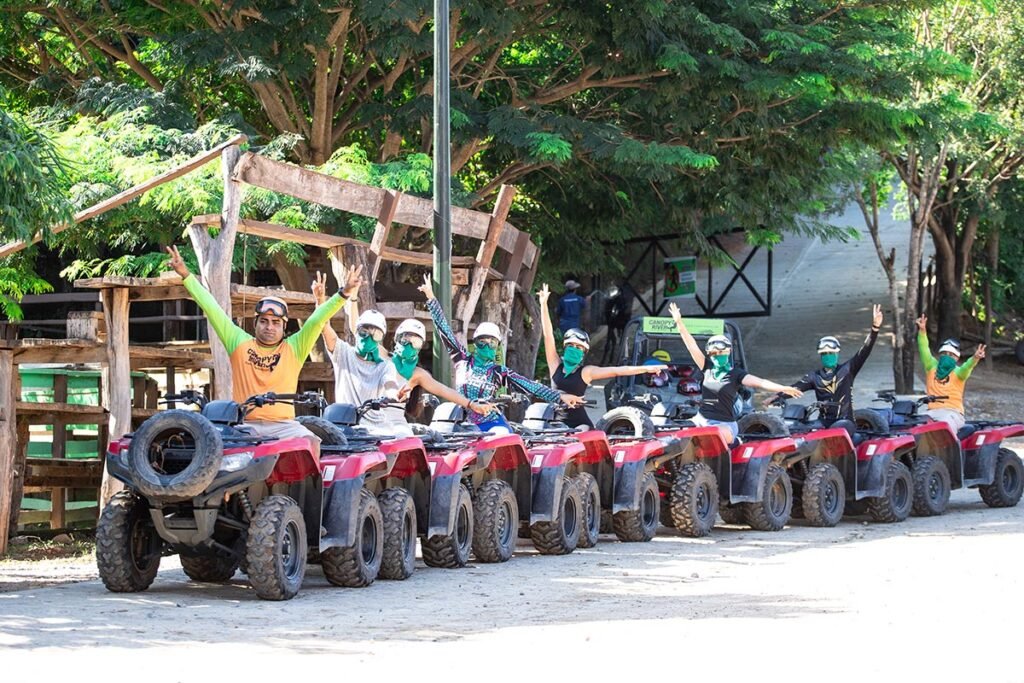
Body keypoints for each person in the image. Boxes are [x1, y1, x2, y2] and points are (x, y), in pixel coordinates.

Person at [165, 245, 360, 451]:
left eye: (276, 322)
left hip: (284, 426)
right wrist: (186, 274)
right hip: (244, 427)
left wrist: (344, 292)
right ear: (255, 323)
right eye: (264, 321)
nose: (269, 327)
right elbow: (211, 307)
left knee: (310, 442)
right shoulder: (238, 342)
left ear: (285, 327)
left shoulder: (294, 347)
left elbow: (317, 320)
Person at [311, 272, 492, 424]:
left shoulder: (415, 373)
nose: (409, 345)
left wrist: (470, 404)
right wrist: (351, 297)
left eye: (416, 342)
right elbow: (356, 328)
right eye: (405, 339)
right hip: (359, 422)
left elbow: (444, 390)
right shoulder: (382, 358)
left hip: (392, 426)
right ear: (396, 339)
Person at [419, 275, 583, 433]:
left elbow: (530, 386)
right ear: (475, 343)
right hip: (462, 425)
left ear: (497, 345)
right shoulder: (462, 360)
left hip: (491, 424)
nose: (487, 346)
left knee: (501, 437)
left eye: (492, 342)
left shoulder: (499, 372)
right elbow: (445, 331)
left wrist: (560, 397)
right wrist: (431, 297)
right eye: (482, 341)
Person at [668, 301, 802, 443]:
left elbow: (760, 382)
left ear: (729, 351)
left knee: (713, 435)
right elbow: (691, 346)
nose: (718, 355)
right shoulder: (707, 367)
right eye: (714, 353)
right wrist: (679, 323)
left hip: (724, 425)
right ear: (709, 354)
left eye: (722, 352)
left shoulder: (736, 374)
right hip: (700, 419)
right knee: (673, 434)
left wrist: (783, 388)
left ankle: (738, 442)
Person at [538, 283, 666, 428]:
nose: (574, 349)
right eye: (571, 346)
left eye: (579, 347)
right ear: (565, 347)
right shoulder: (555, 365)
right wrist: (543, 305)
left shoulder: (586, 372)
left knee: (580, 437)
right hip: (554, 425)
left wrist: (645, 369)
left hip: (580, 425)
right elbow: (548, 336)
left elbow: (617, 371)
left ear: (583, 353)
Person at [791, 304, 883, 424]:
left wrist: (875, 328)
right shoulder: (814, 376)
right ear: (821, 355)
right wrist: (775, 397)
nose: (828, 356)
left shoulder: (847, 369)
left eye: (831, 352)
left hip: (845, 423)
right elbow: (794, 388)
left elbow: (864, 351)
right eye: (825, 353)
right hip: (822, 423)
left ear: (837, 353)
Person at [916, 315, 985, 432]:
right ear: (940, 355)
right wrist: (922, 331)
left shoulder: (959, 373)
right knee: (915, 425)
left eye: (951, 355)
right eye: (944, 353)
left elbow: (967, 367)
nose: (947, 357)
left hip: (953, 413)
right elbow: (924, 349)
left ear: (956, 358)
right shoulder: (931, 366)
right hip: (931, 412)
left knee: (945, 426)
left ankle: (954, 450)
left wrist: (975, 358)